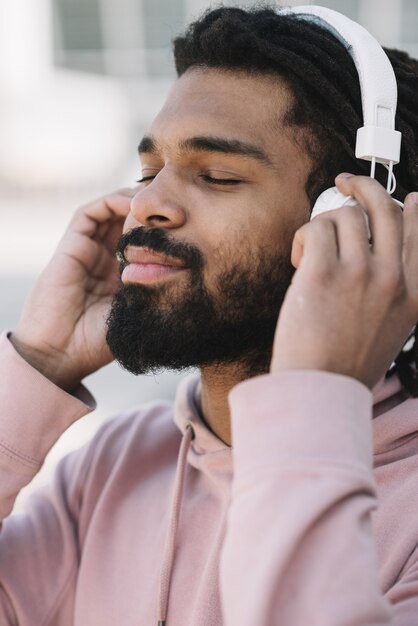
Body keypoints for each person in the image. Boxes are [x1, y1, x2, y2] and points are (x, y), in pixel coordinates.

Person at [1, 5, 418, 625]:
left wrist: (314, 396)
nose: (146, 204)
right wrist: (37, 361)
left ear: (356, 220)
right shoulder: (111, 465)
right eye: (148, 171)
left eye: (217, 175)